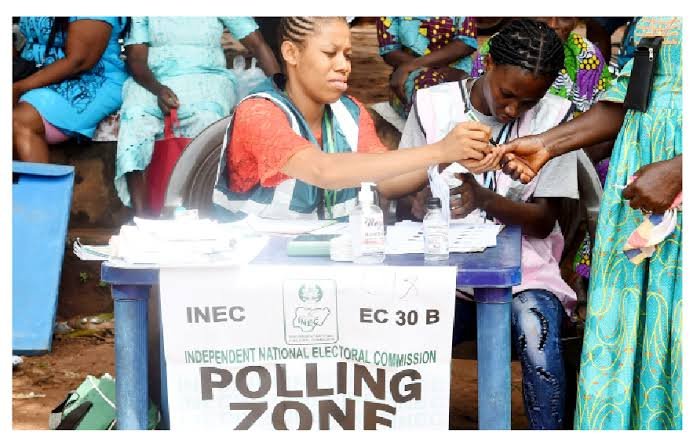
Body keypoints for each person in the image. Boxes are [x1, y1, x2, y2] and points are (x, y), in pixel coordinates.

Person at [500, 16, 682, 430]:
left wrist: (680, 169)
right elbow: (628, 100)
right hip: (638, 193)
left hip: (671, 185)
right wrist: (545, 145)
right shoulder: (646, 17)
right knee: (628, 332)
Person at [398, 18, 578, 430]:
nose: (513, 110)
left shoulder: (558, 119)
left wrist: (483, 198)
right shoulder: (433, 104)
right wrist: (420, 200)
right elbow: (403, 195)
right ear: (488, 63)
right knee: (398, 327)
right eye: (507, 94)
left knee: (537, 327)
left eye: (528, 103)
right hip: (440, 272)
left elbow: (541, 221)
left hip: (524, 276)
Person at [213, 16, 495, 221]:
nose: (343, 66)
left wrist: (449, 155)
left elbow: (386, 181)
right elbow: (323, 171)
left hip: (331, 267)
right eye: (329, 53)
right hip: (259, 272)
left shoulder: (350, 111)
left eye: (347, 55)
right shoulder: (259, 112)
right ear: (291, 53)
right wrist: (439, 149)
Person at [115, 17, 281, 216]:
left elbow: (258, 44)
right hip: (154, 81)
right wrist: (158, 89)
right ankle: (141, 218)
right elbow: (136, 59)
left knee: (207, 118)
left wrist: (282, 93)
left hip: (208, 77)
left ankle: (202, 209)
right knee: (135, 118)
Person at [13, 17, 129, 163]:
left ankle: (42, 185)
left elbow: (79, 61)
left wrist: (19, 87)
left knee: (19, 120)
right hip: (32, 70)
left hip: (89, 78)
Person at [376, 17, 478, 118]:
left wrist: (412, 65)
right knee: (426, 92)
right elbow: (389, 51)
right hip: (411, 77)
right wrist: (425, 69)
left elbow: (466, 44)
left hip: (457, 73)